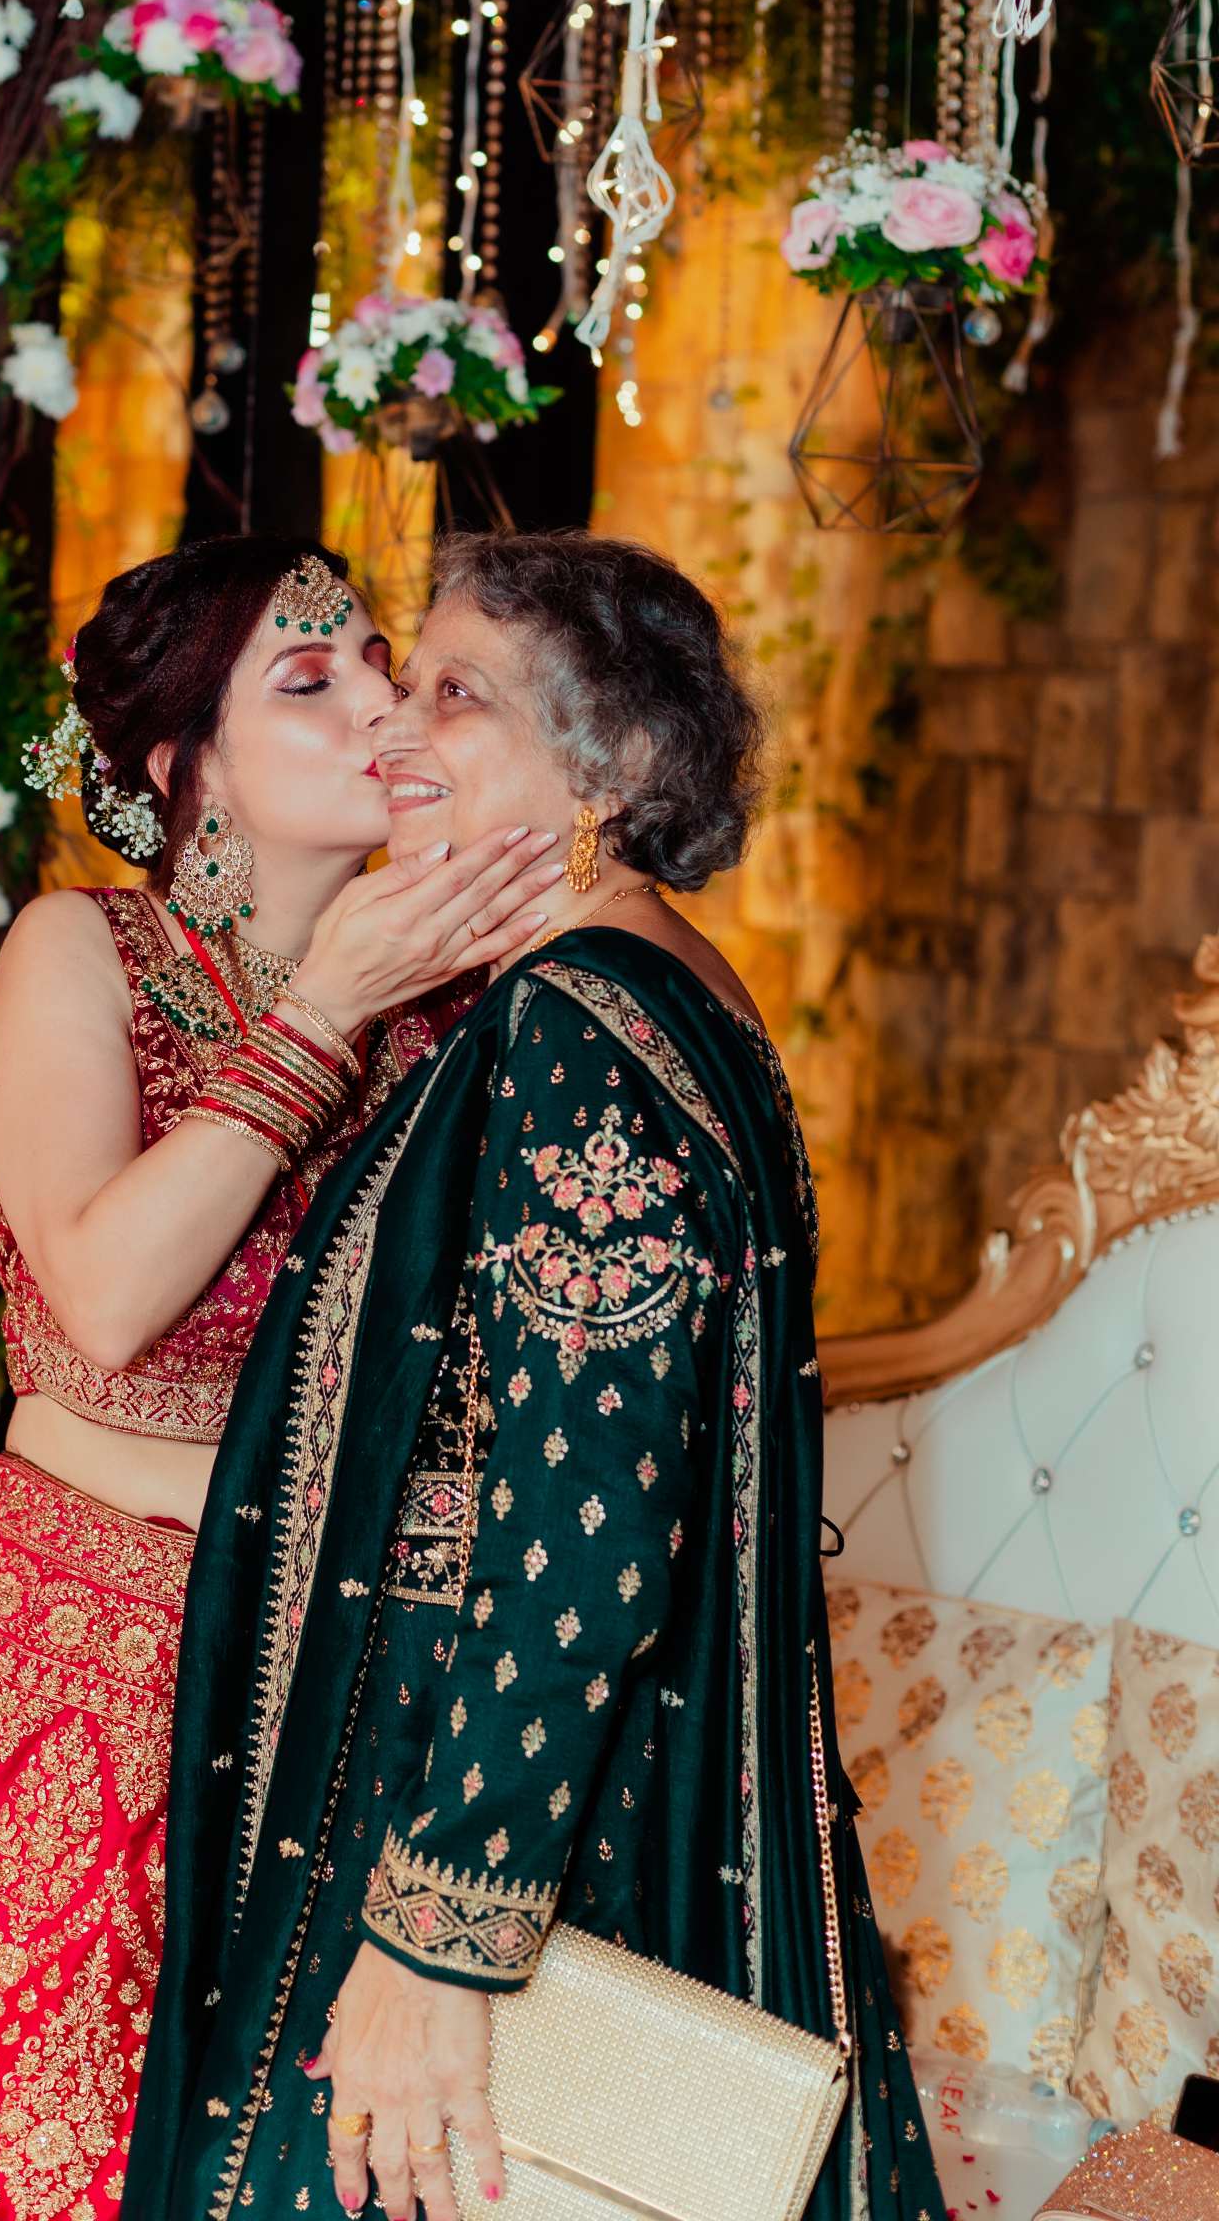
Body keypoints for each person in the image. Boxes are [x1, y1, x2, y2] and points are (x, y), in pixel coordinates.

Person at [0, 537, 563, 2221]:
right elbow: (104, 1298)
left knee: (263, 2145)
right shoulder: (84, 955)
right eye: (309, 680)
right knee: (12, 2137)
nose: (383, 705)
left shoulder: (447, 1013)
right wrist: (315, 1013)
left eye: (384, 665)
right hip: (79, 1641)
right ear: (188, 771)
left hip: (329, 1648)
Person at [128, 530, 944, 2221]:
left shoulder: (576, 1025)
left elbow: (588, 1527)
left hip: (486, 1806)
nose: (394, 733)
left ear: (615, 766)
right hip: (555, 1773)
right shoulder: (664, 1000)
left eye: (455, 695)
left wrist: (436, 1947)